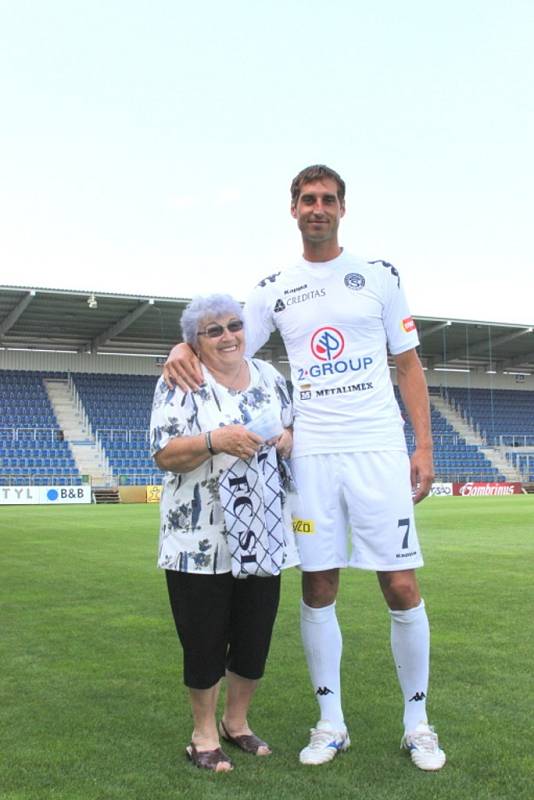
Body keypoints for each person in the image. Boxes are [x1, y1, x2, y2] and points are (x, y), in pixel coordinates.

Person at [163, 165, 446, 772]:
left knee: (400, 584)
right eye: (307, 200)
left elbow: (410, 366)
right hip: (311, 454)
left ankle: (418, 724)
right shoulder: (274, 288)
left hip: (376, 449)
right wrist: (182, 344)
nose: (317, 208)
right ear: (292, 209)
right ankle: (330, 722)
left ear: (342, 208)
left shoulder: (379, 276)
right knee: (319, 585)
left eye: (328, 199)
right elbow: (222, 337)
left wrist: (421, 447)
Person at [151, 293, 299, 773]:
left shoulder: (271, 377)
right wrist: (216, 440)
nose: (228, 336)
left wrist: (285, 438)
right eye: (213, 330)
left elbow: (293, 427)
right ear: (194, 340)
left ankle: (238, 723)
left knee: (254, 637)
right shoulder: (181, 380)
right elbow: (165, 453)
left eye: (234, 325)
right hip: (199, 540)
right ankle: (203, 733)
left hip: (264, 531)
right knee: (204, 640)